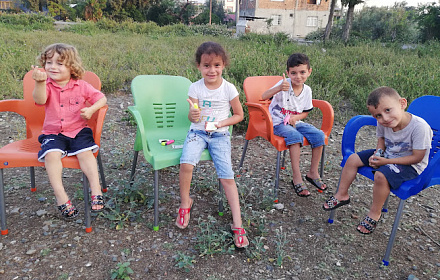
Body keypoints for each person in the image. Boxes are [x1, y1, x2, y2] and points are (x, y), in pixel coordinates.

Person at [323, 87, 432, 234]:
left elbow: (417, 157)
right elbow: (381, 140)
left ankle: (374, 213)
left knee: (380, 175)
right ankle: (342, 195)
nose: (384, 119)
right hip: (387, 155)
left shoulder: (419, 127)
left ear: (402, 103)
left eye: (388, 110)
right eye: (378, 115)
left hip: (411, 165)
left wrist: (384, 162)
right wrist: (378, 154)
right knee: (352, 159)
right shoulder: (383, 123)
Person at [175, 41, 249, 248]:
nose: (212, 70)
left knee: (227, 176)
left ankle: (238, 223)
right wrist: (193, 113)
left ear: (223, 64)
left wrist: (219, 123)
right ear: (198, 66)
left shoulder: (229, 88)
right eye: (206, 65)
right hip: (197, 132)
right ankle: (184, 203)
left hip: (220, 135)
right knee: (186, 164)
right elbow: (192, 116)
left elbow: (239, 115)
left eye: (216, 65)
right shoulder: (195, 87)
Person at [32, 43, 107, 219]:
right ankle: (61, 197)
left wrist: (91, 110)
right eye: (49, 62)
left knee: (85, 153)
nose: (52, 67)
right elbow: (40, 99)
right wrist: (39, 82)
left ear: (72, 67)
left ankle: (95, 190)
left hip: (78, 129)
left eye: (59, 63)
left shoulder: (81, 85)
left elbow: (101, 98)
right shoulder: (47, 85)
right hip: (53, 132)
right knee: (51, 155)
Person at [261, 53, 326, 197]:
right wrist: (278, 88)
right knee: (294, 136)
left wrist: (296, 117)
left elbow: (305, 112)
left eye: (302, 72)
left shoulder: (307, 90)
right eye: (294, 73)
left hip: (296, 121)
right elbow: (263, 96)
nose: (298, 76)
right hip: (277, 122)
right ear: (288, 73)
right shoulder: (284, 85)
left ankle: (312, 172)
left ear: (309, 72)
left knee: (319, 135)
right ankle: (297, 177)